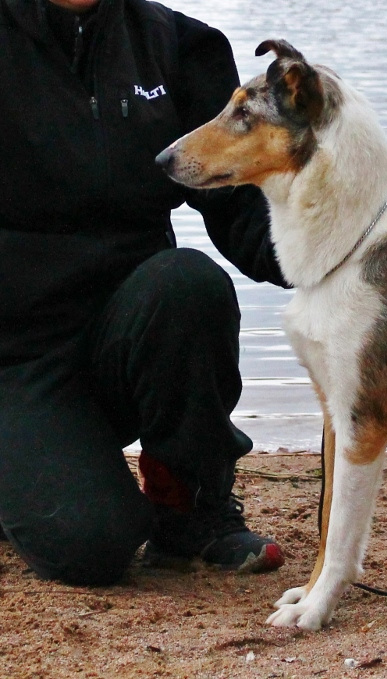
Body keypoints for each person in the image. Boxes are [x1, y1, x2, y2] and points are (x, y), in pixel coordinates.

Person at [0, 0, 290, 585]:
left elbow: (242, 207)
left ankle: (192, 512)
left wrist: (340, 252)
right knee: (92, 546)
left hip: (129, 338)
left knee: (188, 282)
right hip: (17, 360)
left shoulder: (181, 45)